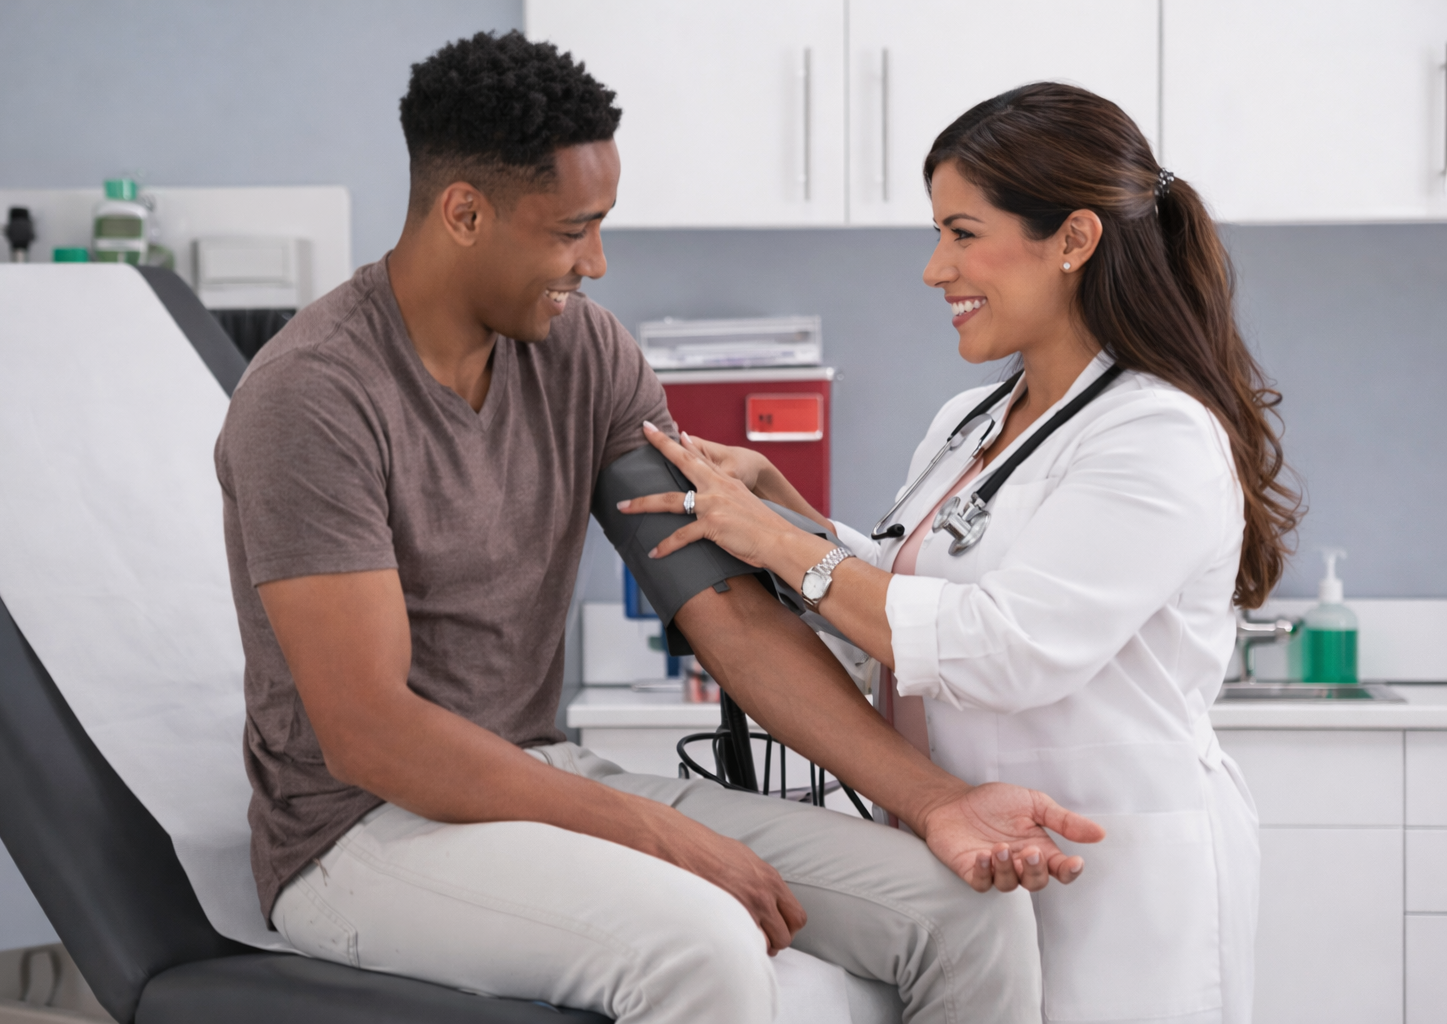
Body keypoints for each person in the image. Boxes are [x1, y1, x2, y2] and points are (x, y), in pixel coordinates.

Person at [214, 33, 1104, 1024]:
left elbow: (727, 610)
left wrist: (936, 802)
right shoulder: (314, 397)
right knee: (704, 948)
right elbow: (369, 734)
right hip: (359, 834)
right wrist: (649, 830)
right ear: (464, 213)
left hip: (536, 774)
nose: (596, 263)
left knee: (965, 911)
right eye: (573, 231)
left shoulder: (586, 355)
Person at [620, 82, 1301, 1024]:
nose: (936, 269)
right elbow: (901, 600)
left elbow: (1005, 648)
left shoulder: (1156, 433)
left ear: (1073, 240)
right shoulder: (970, 421)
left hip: (1107, 872)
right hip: (968, 863)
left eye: (963, 233)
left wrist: (776, 541)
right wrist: (786, 512)